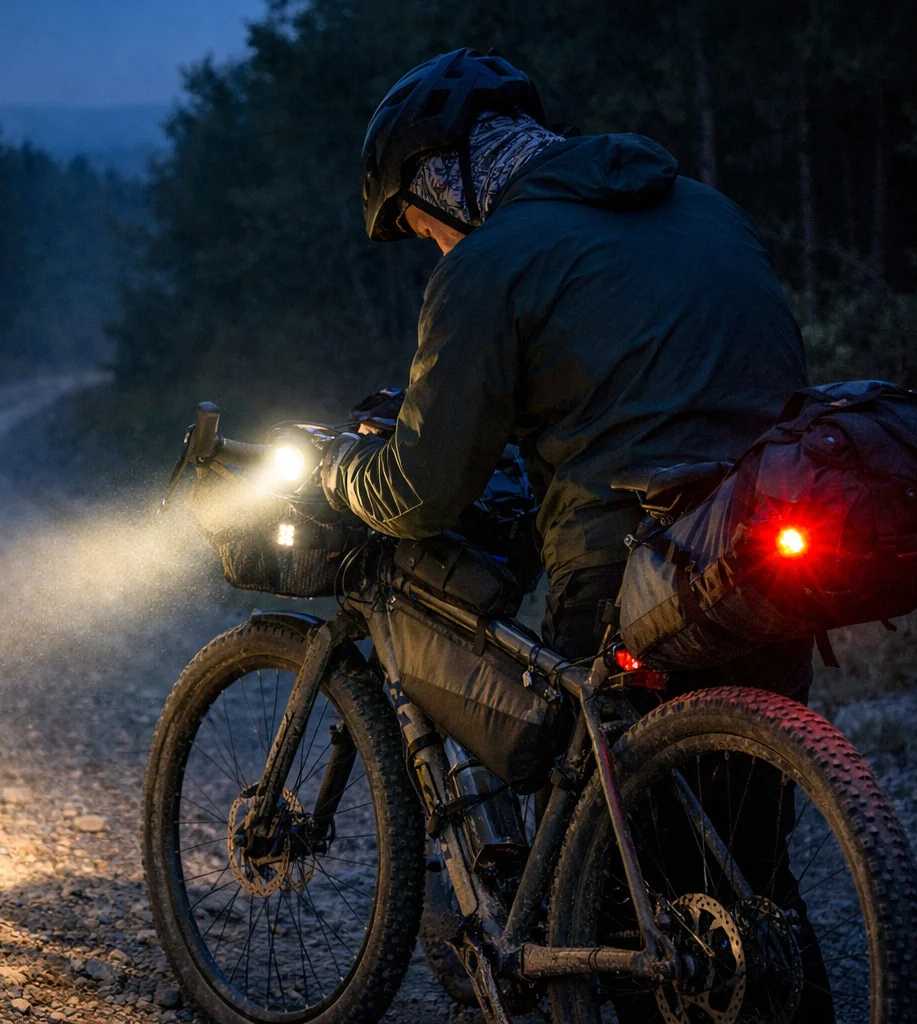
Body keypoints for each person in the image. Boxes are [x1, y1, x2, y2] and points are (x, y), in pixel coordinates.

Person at [320, 48, 832, 1021]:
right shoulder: (704, 207)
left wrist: (347, 478)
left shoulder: (489, 263)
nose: (431, 246)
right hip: (765, 545)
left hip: (631, 560)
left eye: (421, 224)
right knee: (749, 868)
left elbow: (426, 490)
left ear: (448, 179)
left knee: (601, 881)